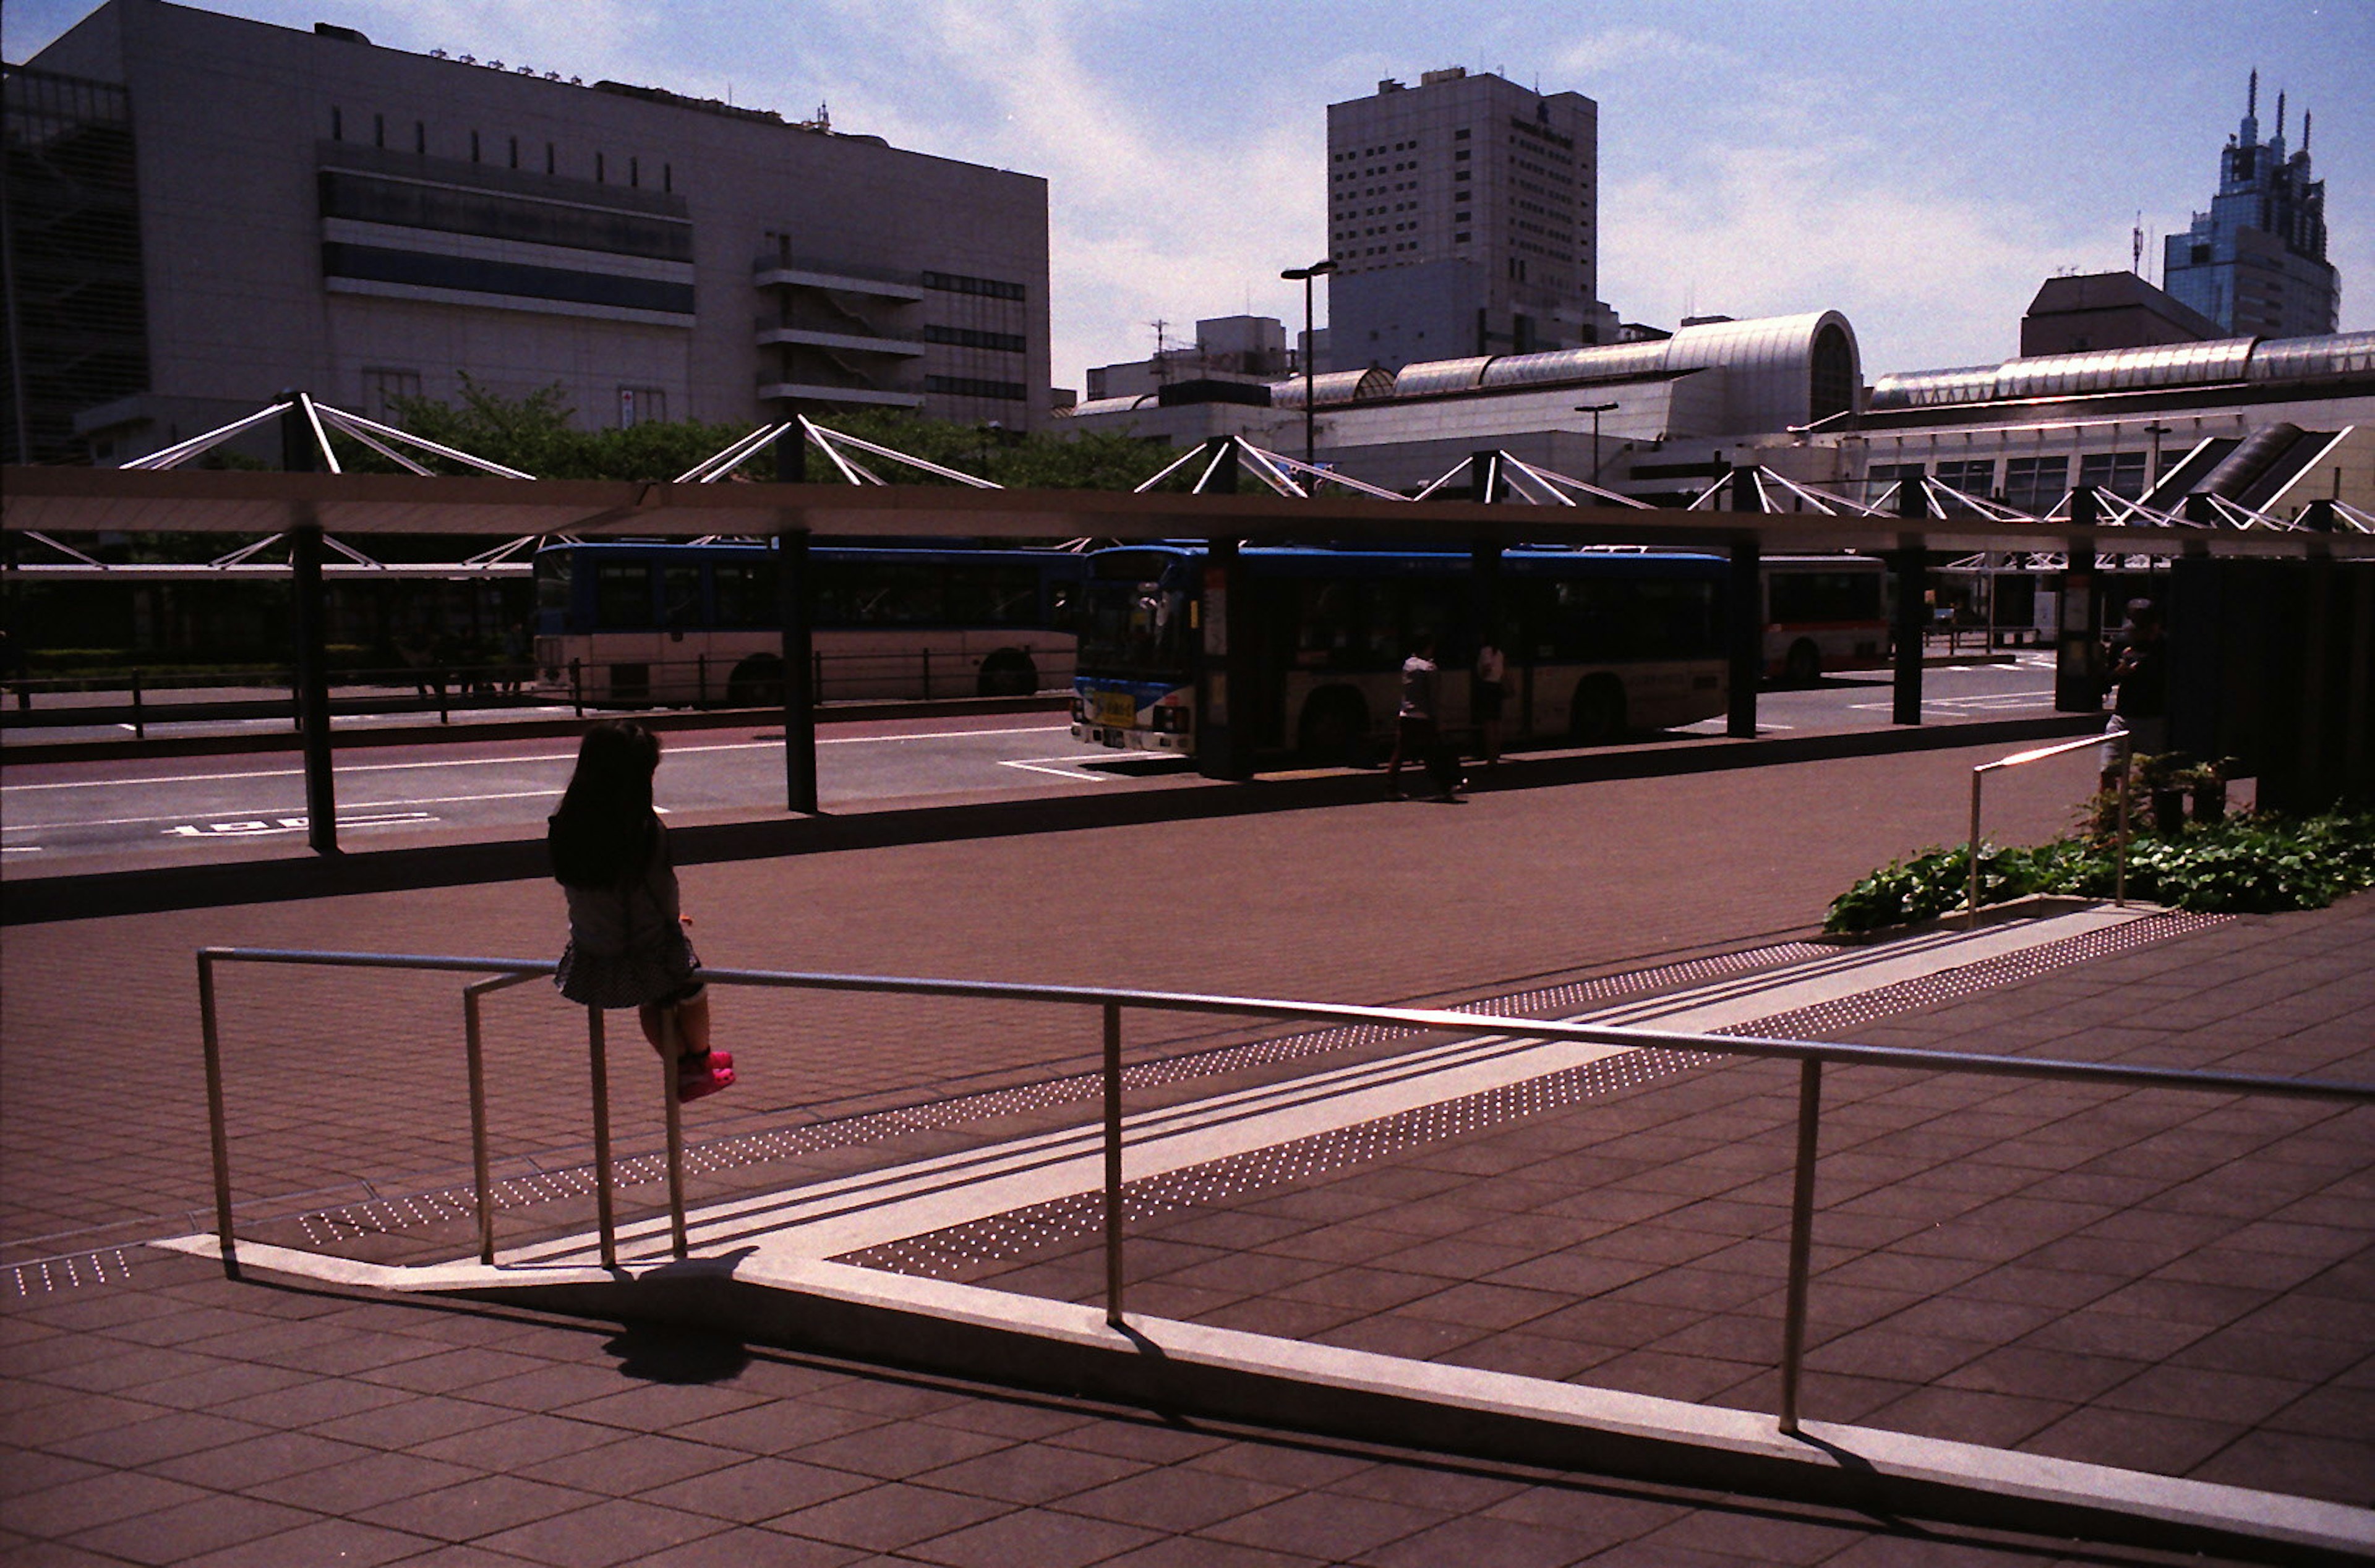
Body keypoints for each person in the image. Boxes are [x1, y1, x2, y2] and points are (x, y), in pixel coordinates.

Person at [549, 720, 734, 1101]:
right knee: (690, 988)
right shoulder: (644, 829)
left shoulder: (566, 824)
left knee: (652, 999)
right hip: (645, 942)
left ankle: (688, 1065)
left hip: (591, 946)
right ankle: (695, 1064)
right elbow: (662, 888)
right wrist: (670, 920)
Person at [1387, 634, 1463, 803]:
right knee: (1433, 753)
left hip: (1406, 714)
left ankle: (1391, 788)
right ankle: (1446, 787)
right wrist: (1438, 720)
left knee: (1400, 753)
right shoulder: (1429, 668)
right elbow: (1433, 697)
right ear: (1428, 648)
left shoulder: (1408, 665)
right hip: (1424, 717)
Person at [2100, 600, 2168, 788]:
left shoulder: (2166, 645)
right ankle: (2110, 814)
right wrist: (2118, 673)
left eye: (2142, 628)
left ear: (2155, 626)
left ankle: (2156, 814)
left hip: (2155, 718)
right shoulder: (2122, 642)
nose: (2135, 633)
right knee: (2109, 770)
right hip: (2123, 715)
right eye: (2133, 627)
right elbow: (2106, 680)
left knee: (2155, 776)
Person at [1472, 636, 1508, 772]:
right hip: (1497, 687)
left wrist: (1480, 676)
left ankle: (1491, 758)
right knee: (1497, 723)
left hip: (1487, 688)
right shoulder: (1499, 652)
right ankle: (1496, 754)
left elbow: (1486, 668)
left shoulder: (1486, 651)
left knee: (1488, 725)